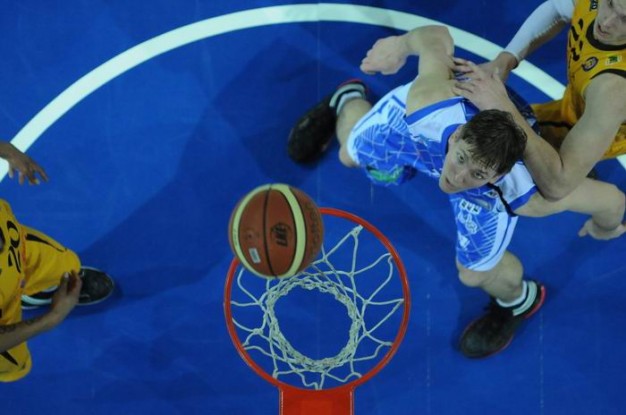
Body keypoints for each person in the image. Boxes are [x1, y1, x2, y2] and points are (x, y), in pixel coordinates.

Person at [287, 25, 626, 358]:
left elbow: (611, 198)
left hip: (482, 197)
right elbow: (435, 38)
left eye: (477, 173)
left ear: (499, 175)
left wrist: (606, 226)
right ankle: (347, 99)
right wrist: (401, 45)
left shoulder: (523, 193)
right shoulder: (429, 104)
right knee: (350, 155)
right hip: (423, 138)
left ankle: (518, 300)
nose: (456, 179)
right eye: (461, 160)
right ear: (457, 135)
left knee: (475, 273)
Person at [454, 0, 626, 201]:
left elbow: (557, 187)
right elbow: (558, 8)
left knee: (538, 194)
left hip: (605, 122)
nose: (606, 22)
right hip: (575, 103)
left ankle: (596, 191)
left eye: (625, 19)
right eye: (610, 4)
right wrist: (506, 60)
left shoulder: (614, 91)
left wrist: (503, 106)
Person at [0, 141, 114, 382]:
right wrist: (52, 318)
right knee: (16, 365)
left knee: (66, 265)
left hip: (15, 242)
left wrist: (8, 151)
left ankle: (35, 291)